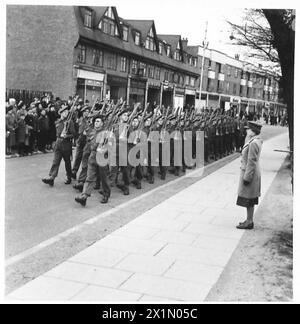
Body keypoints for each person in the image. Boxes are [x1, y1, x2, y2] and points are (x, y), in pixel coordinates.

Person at [75, 114, 111, 206]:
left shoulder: (106, 133)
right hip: (92, 156)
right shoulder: (92, 132)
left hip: (102, 157)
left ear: (102, 123)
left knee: (104, 178)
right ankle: (84, 196)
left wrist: (104, 149)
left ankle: (106, 194)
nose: (96, 123)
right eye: (95, 121)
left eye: (98, 121)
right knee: (89, 177)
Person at [236, 121, 263, 230]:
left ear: (252, 131)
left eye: (248, 129)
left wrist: (247, 178)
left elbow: (251, 162)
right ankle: (249, 220)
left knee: (249, 199)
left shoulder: (253, 143)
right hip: (250, 171)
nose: (246, 131)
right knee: (249, 199)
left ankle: (249, 221)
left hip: (250, 173)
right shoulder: (254, 141)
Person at [42, 103, 76, 186]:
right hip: (58, 143)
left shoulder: (70, 122)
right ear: (60, 113)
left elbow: (74, 134)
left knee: (67, 162)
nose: (66, 113)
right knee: (55, 161)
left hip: (66, 144)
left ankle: (69, 176)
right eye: (64, 112)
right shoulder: (57, 122)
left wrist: (67, 136)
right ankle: (52, 177)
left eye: (67, 112)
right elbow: (56, 133)